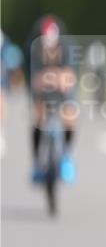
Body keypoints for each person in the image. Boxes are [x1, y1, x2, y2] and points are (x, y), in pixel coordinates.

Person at [25, 15, 78, 183]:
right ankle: (36, 163)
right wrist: (53, 77)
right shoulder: (34, 50)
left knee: (70, 115)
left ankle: (67, 156)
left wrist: (54, 77)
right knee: (38, 117)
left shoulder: (67, 48)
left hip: (62, 90)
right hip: (41, 90)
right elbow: (35, 81)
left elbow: (69, 78)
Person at [1, 29, 25, 157]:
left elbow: (11, 62)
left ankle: (1, 132)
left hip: (2, 76)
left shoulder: (4, 39)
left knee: (1, 97)